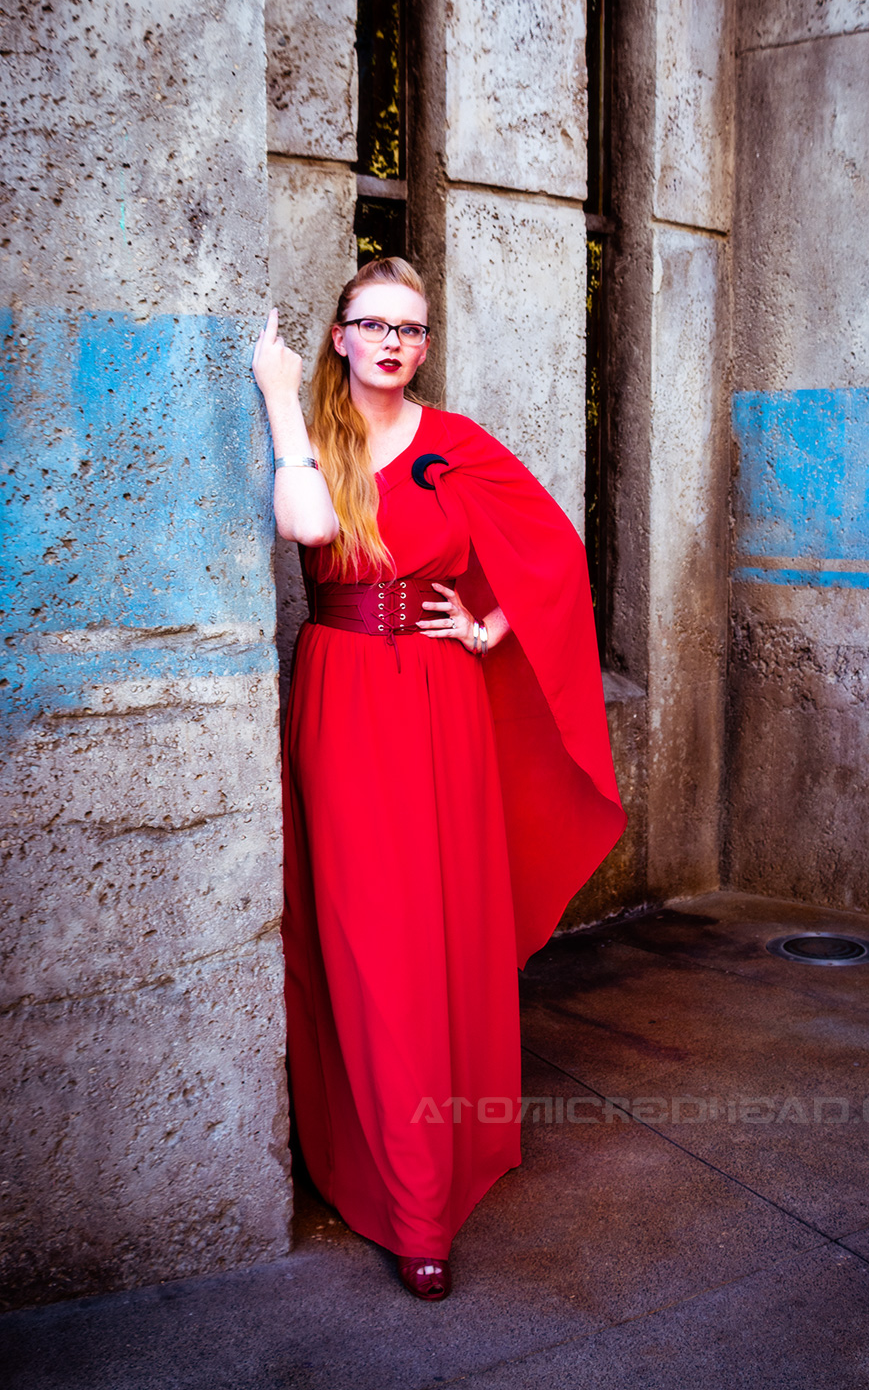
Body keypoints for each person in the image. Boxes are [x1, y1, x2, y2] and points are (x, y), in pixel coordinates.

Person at [252, 257, 626, 1301]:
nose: (391, 343)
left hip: (444, 705)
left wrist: (486, 624)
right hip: (342, 697)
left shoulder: (455, 443)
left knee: (443, 927)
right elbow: (309, 529)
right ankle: (408, 1199)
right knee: (371, 937)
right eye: (371, 324)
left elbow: (554, 554)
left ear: (423, 345)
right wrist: (283, 396)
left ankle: (450, 1158)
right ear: (337, 336)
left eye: (410, 330)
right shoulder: (313, 426)